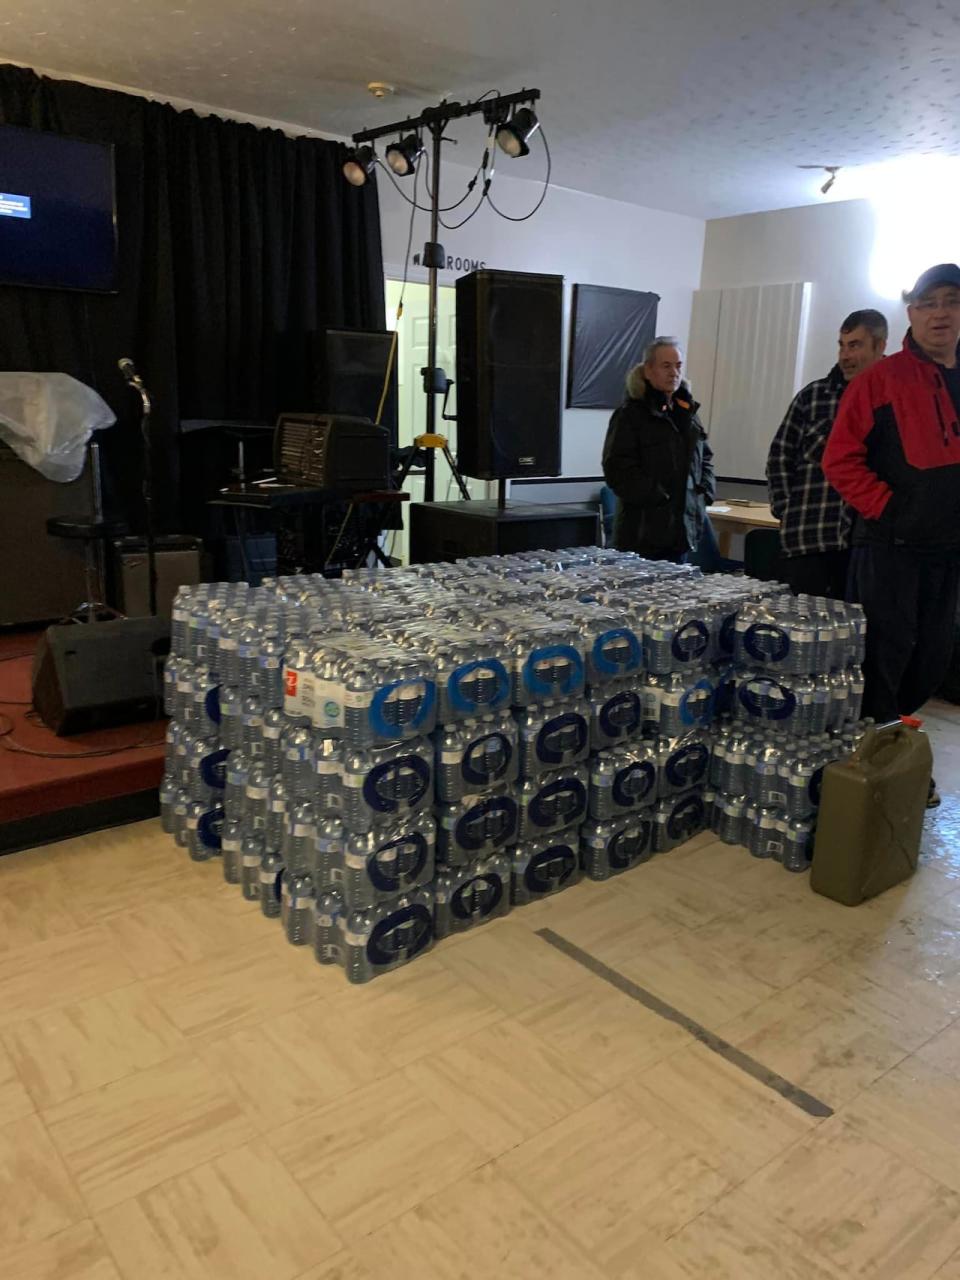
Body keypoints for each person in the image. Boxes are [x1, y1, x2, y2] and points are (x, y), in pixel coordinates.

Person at [823, 264, 960, 803]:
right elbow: (840, 459)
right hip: (888, 548)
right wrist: (891, 511)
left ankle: (897, 760)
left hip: (947, 551)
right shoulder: (880, 379)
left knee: (929, 659)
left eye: (951, 301)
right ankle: (875, 776)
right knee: (884, 660)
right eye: (928, 304)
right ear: (911, 313)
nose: (941, 313)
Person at [767, 309, 888, 597]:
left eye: (855, 345)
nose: (845, 356)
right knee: (807, 634)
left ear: (880, 346)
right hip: (811, 539)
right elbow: (780, 456)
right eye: (841, 345)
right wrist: (787, 510)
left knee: (860, 633)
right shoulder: (813, 397)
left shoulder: (893, 398)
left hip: (869, 546)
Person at [602, 337, 715, 561]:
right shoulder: (630, 414)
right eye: (666, 366)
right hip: (642, 534)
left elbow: (705, 459)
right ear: (648, 370)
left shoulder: (688, 414)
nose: (674, 372)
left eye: (678, 366)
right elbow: (617, 469)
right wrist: (661, 497)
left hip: (683, 532)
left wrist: (704, 493)